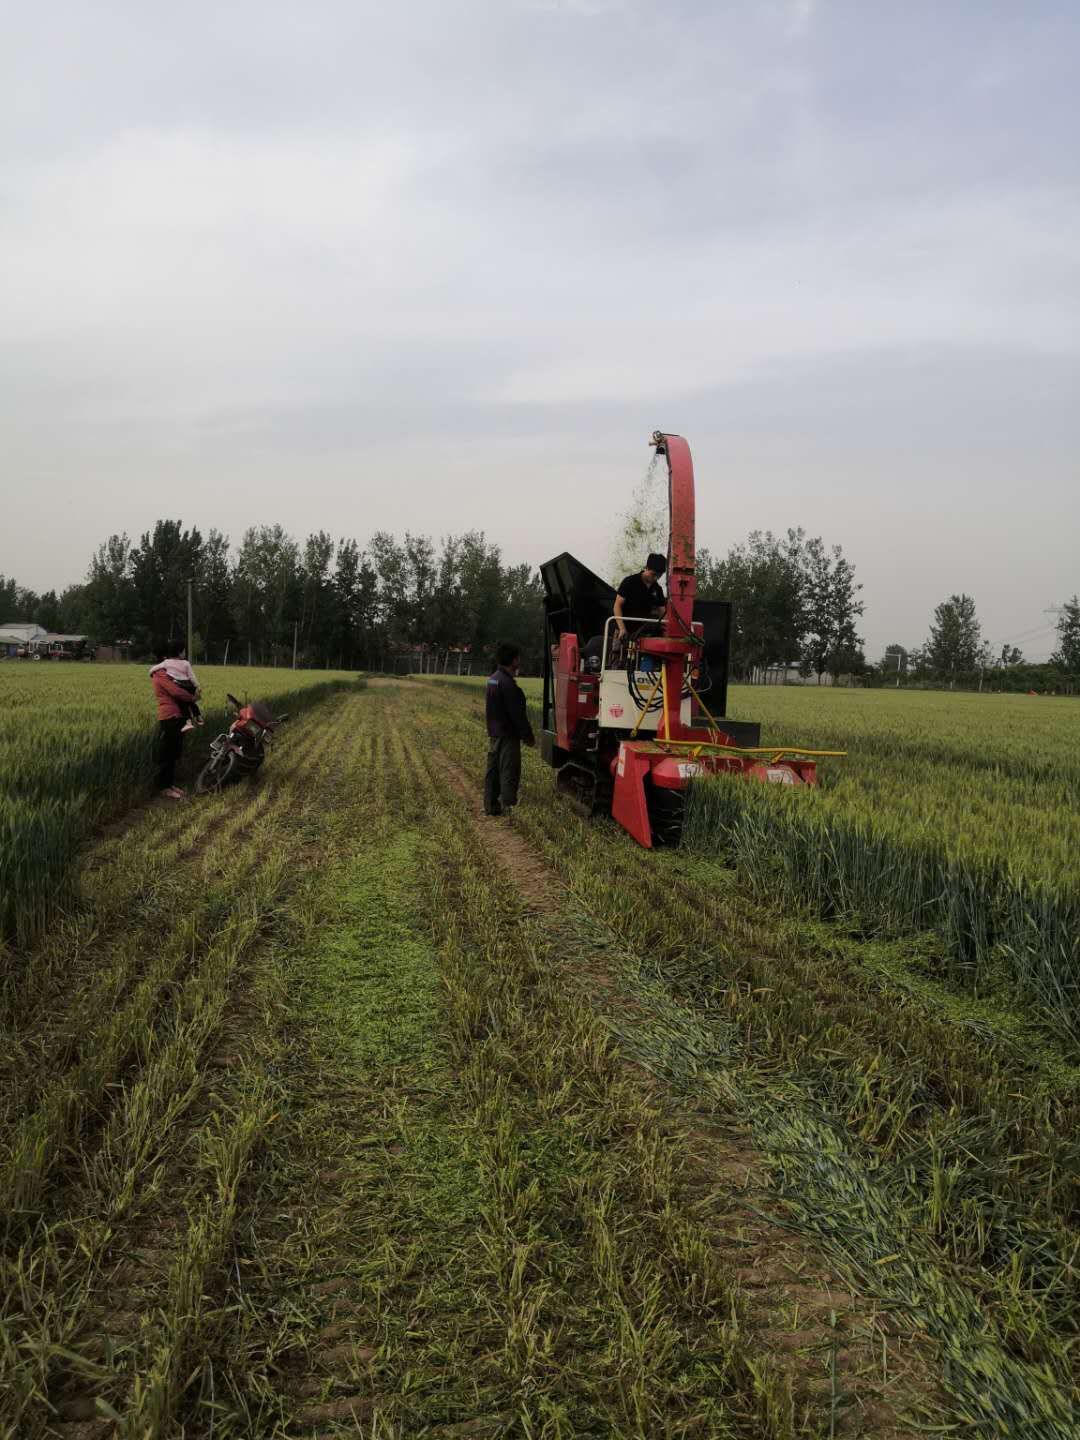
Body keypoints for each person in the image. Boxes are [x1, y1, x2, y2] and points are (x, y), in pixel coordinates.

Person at [484, 641, 535, 817]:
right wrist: (528, 736)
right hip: (507, 734)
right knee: (509, 769)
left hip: (494, 733)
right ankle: (508, 805)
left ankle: (490, 805)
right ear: (514, 660)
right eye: (518, 657)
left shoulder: (493, 679)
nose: (519, 660)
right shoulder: (508, 684)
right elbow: (517, 715)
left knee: (493, 769)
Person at [151, 642, 200, 799]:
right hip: (169, 716)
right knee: (168, 753)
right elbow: (175, 691)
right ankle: (163, 787)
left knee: (174, 753)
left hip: (177, 716)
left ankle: (169, 784)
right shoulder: (160, 673)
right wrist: (193, 698)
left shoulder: (167, 672)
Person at [150, 642, 203, 733]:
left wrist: (150, 672)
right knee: (191, 703)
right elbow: (189, 678)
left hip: (177, 693)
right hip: (186, 690)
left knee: (183, 704)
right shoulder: (183, 664)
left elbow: (156, 668)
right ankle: (198, 717)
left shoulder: (164, 666)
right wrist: (195, 691)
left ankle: (191, 721)